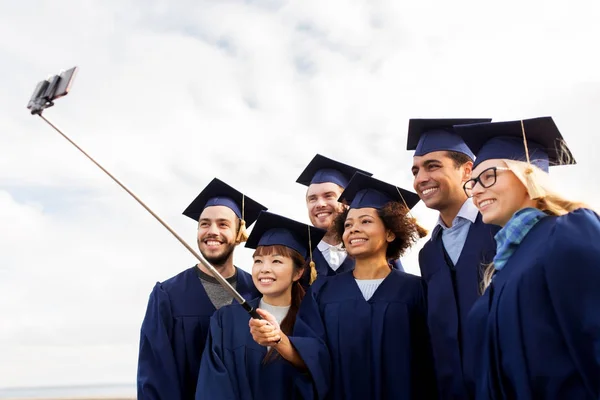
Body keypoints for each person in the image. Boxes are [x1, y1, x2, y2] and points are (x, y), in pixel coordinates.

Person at [251, 172, 436, 399]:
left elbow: (433, 358)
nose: (354, 229)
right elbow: (312, 355)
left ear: (390, 232)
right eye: (348, 225)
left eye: (365, 221)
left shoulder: (416, 290)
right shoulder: (323, 292)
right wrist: (278, 338)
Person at [455, 116, 600, 399]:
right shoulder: (498, 270)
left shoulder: (569, 231)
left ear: (527, 174)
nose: (477, 191)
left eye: (488, 176)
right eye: (472, 184)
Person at [137, 178, 267, 400]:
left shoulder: (257, 292)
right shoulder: (168, 296)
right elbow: (155, 375)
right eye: (205, 224)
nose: (212, 231)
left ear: (239, 233)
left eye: (223, 224)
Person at [407, 118, 500, 399]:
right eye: (415, 170)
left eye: (433, 166)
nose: (420, 178)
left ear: (466, 171)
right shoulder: (428, 253)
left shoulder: (500, 229)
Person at [195, 211, 326, 399]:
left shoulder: (314, 318)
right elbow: (214, 386)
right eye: (258, 261)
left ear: (298, 273)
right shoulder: (227, 320)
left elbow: (323, 377)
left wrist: (281, 341)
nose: (264, 268)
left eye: (276, 261)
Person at [296, 154, 403, 288]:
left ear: (347, 203)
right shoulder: (298, 256)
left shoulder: (381, 254)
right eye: (312, 199)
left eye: (328, 196)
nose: (320, 204)